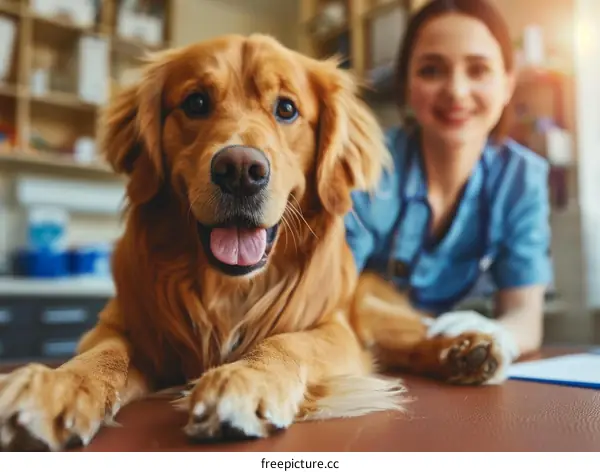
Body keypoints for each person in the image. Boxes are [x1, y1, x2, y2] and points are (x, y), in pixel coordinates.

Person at [345, 0, 553, 363]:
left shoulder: (521, 179)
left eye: (478, 70)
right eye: (431, 70)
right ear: (407, 84)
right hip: (360, 358)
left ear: (507, 84)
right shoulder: (365, 166)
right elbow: (331, 297)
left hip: (441, 365)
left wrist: (498, 334)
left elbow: (525, 318)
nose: (456, 91)